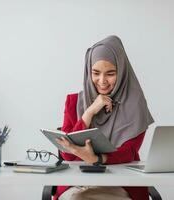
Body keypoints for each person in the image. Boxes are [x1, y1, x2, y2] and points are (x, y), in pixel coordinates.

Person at [55, 35, 154, 200]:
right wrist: (89, 112)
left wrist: (96, 158)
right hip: (76, 183)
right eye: (95, 73)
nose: (102, 81)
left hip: (119, 184)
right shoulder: (74, 102)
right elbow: (68, 155)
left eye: (110, 73)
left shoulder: (134, 105)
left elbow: (128, 153)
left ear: (121, 72)